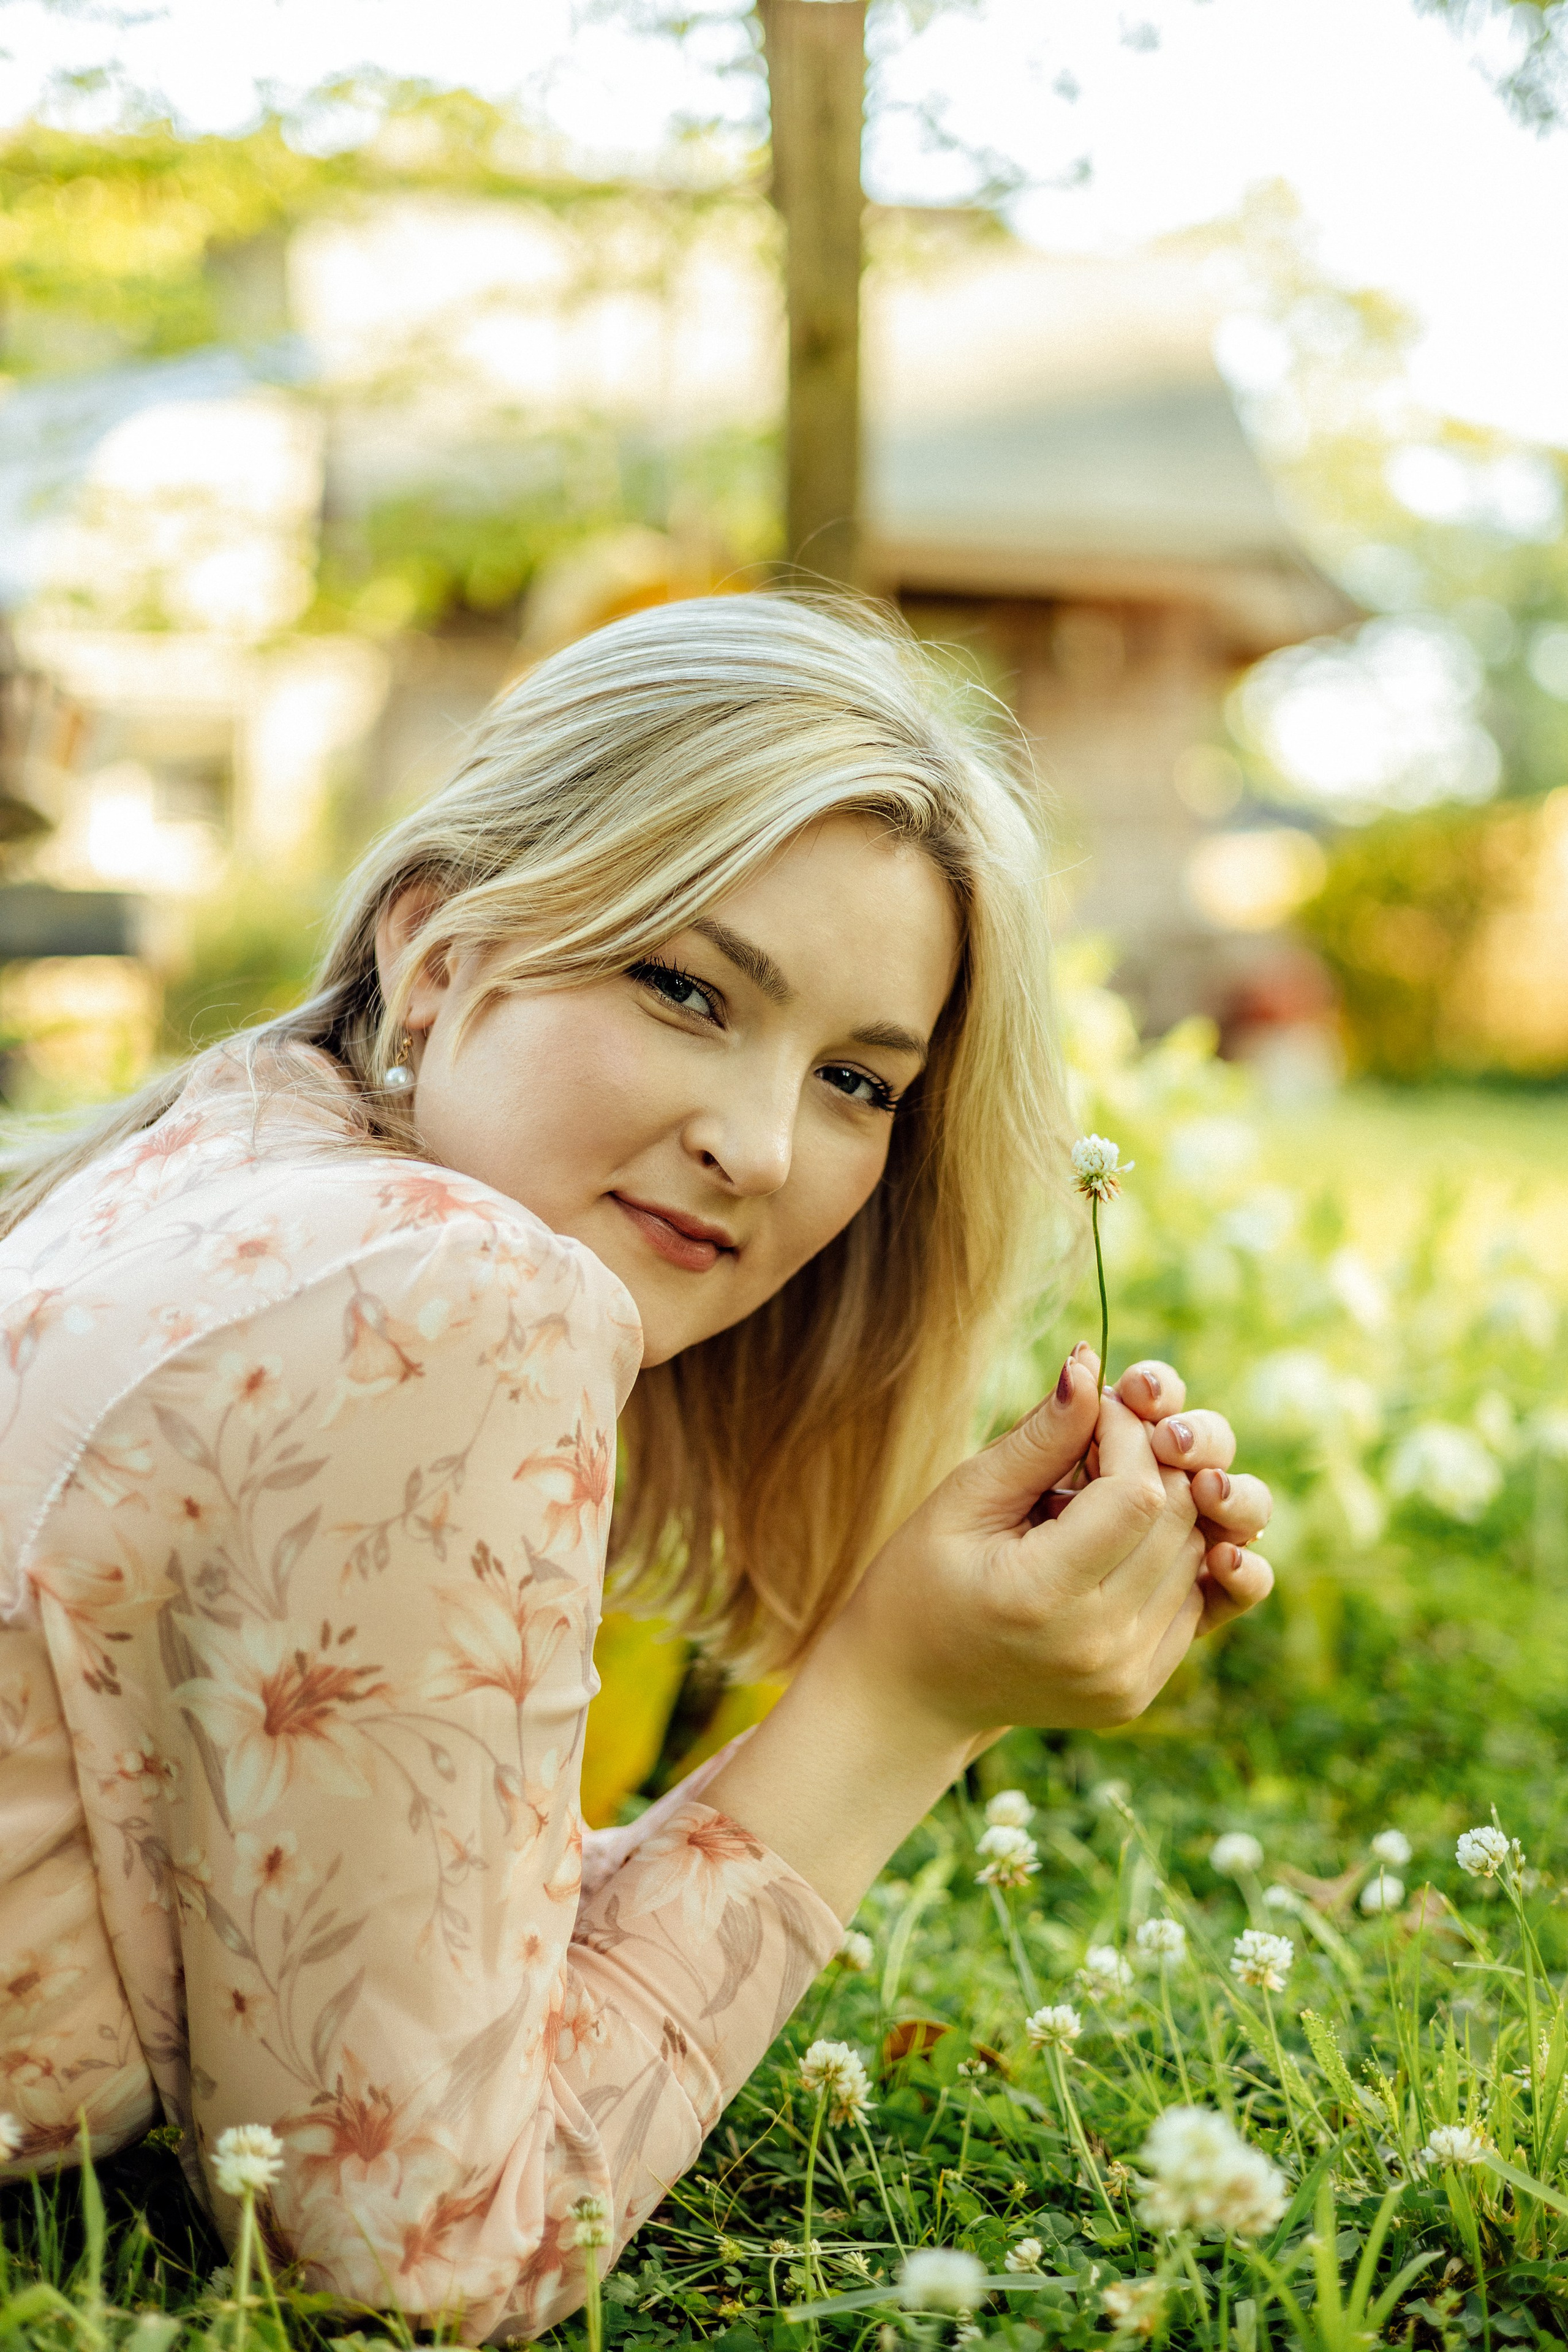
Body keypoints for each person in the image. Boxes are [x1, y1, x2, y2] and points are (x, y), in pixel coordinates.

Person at [0, 596, 1273, 2340]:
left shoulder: (226, 1160)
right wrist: (901, 1703)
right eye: (686, 990)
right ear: (440, 952)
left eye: (852, 1080)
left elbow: (393, 1951)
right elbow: (424, 2256)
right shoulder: (451, 1298)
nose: (758, 1146)